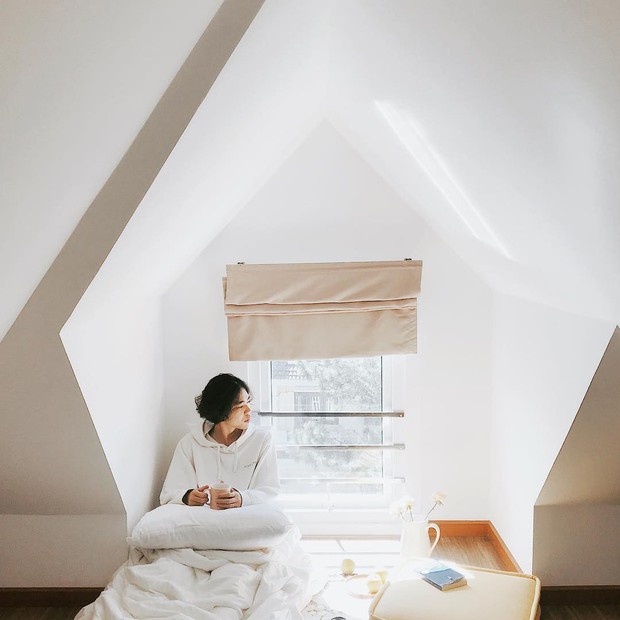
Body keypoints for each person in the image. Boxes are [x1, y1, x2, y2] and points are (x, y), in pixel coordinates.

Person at [160, 373, 280, 508]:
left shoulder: (261, 439)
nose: (248, 410)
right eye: (241, 405)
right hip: (202, 517)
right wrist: (188, 496)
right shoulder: (190, 443)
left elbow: (270, 490)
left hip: (246, 515)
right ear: (222, 408)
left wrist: (242, 498)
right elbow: (169, 492)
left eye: (248, 402)